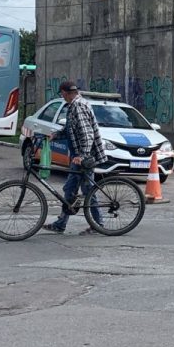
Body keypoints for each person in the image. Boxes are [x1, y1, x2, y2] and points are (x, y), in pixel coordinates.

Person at [43, 81, 109, 235]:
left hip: (84, 157)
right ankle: (60, 224)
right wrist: (55, 135)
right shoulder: (75, 105)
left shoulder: (78, 106)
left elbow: (87, 134)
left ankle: (97, 225)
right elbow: (70, 129)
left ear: (64, 93)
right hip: (78, 156)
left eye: (62, 94)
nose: (62, 96)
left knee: (87, 191)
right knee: (69, 190)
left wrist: (82, 155)